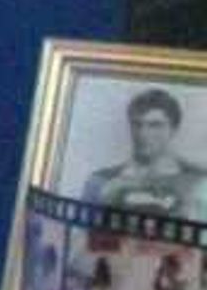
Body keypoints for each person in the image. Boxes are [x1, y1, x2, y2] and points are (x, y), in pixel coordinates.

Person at [81, 86, 207, 218]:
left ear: (173, 129)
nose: (143, 134)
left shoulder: (200, 183)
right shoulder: (100, 182)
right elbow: (82, 234)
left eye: (155, 125)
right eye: (137, 124)